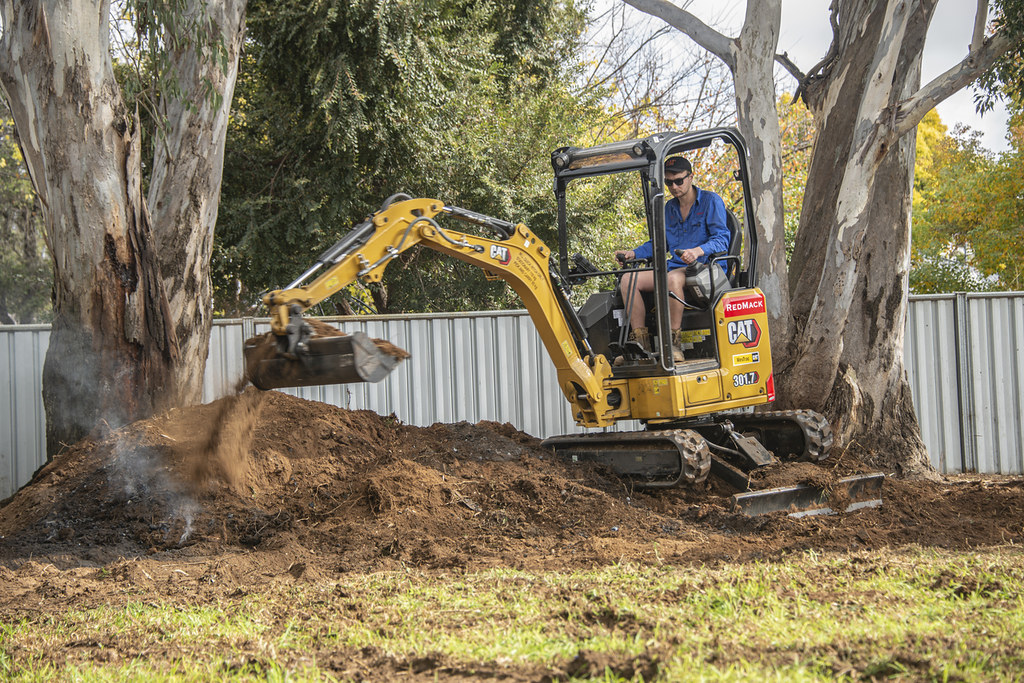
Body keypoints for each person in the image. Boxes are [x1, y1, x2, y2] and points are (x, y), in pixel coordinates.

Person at [613, 156, 731, 363]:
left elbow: (722, 240)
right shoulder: (669, 208)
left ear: (690, 177)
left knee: (672, 279)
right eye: (669, 183)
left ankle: (673, 344)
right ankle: (642, 344)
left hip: (705, 268)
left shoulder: (711, 201)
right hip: (676, 266)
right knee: (628, 280)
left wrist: (697, 251)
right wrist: (634, 253)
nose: (674, 187)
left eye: (678, 181)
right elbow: (659, 243)